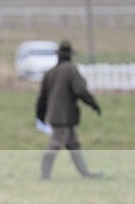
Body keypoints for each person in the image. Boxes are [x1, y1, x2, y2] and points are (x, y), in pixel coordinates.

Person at [36, 41, 103, 180]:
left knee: (74, 145)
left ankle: (85, 173)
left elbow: (42, 97)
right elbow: (80, 90)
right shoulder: (71, 70)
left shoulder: (50, 73)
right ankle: (44, 174)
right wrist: (93, 104)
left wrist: (40, 116)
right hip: (64, 116)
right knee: (55, 144)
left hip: (56, 115)